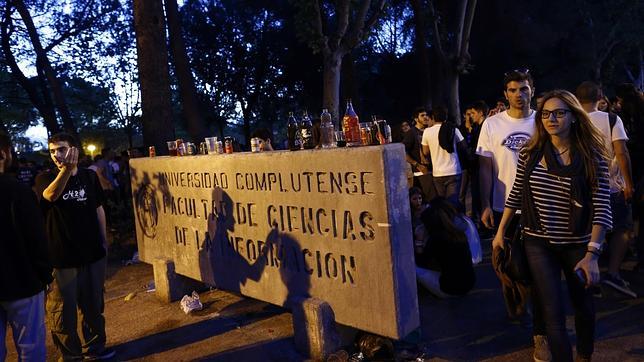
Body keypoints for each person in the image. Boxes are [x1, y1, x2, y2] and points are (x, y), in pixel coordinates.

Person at [495, 90, 612, 361]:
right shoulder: (531, 153)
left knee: (583, 307)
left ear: (573, 117)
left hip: (578, 243)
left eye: (559, 113)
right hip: (538, 241)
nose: (551, 119)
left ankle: (584, 355)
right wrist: (501, 231)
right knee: (552, 312)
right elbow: (516, 193)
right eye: (546, 114)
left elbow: (602, 209)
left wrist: (592, 254)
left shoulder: (592, 157)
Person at [476, 69, 549, 361]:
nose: (519, 94)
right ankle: (516, 297)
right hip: (502, 205)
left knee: (537, 270)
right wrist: (483, 203)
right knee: (506, 265)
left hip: (539, 207)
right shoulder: (492, 124)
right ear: (505, 94)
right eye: (513, 90)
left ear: (532, 89)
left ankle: (540, 333)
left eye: (524, 88)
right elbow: (484, 167)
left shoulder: (544, 121)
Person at [34, 133, 115, 361]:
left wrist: (103, 241)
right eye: (52, 151)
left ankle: (96, 348)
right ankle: (70, 356)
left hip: (91, 254)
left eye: (61, 149)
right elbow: (50, 195)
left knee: (93, 307)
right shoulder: (45, 177)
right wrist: (66, 171)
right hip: (61, 258)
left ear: (74, 150)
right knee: (63, 312)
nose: (57, 155)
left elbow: (98, 208)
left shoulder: (89, 177)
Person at [576, 81, 636, 297]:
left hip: (581, 189)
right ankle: (612, 272)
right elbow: (622, 152)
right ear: (600, 97)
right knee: (622, 228)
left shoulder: (573, 120)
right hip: (610, 186)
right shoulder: (611, 119)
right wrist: (628, 183)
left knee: (586, 232)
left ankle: (588, 275)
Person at [0, 132, 52, 361]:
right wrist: (44, 276)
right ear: (4, 153)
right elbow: (36, 238)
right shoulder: (18, 192)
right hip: (23, 283)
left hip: (20, 281)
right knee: (30, 346)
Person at [415, 197, 476, 298]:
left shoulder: (436, 238)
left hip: (449, 290)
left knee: (415, 268)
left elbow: (422, 262)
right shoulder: (459, 233)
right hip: (469, 284)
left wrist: (419, 241)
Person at [421, 105, 466, 207]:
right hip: (454, 170)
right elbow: (463, 146)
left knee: (442, 204)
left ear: (432, 117)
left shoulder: (427, 132)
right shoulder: (454, 129)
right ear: (446, 117)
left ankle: (444, 222)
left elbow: (425, 152)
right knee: (453, 203)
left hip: (438, 173)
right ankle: (454, 222)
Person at [459, 101, 488, 220]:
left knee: (480, 196)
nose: (471, 116)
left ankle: (484, 223)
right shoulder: (477, 128)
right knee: (476, 196)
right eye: (469, 114)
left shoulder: (485, 127)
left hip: (482, 167)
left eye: (473, 113)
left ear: (480, 113)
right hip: (475, 167)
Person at [403, 107, 436, 201]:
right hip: (421, 172)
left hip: (434, 171)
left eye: (426, 115)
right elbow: (403, 151)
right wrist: (417, 165)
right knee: (430, 200)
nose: (425, 117)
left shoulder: (429, 130)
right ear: (416, 119)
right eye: (422, 115)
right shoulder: (411, 133)